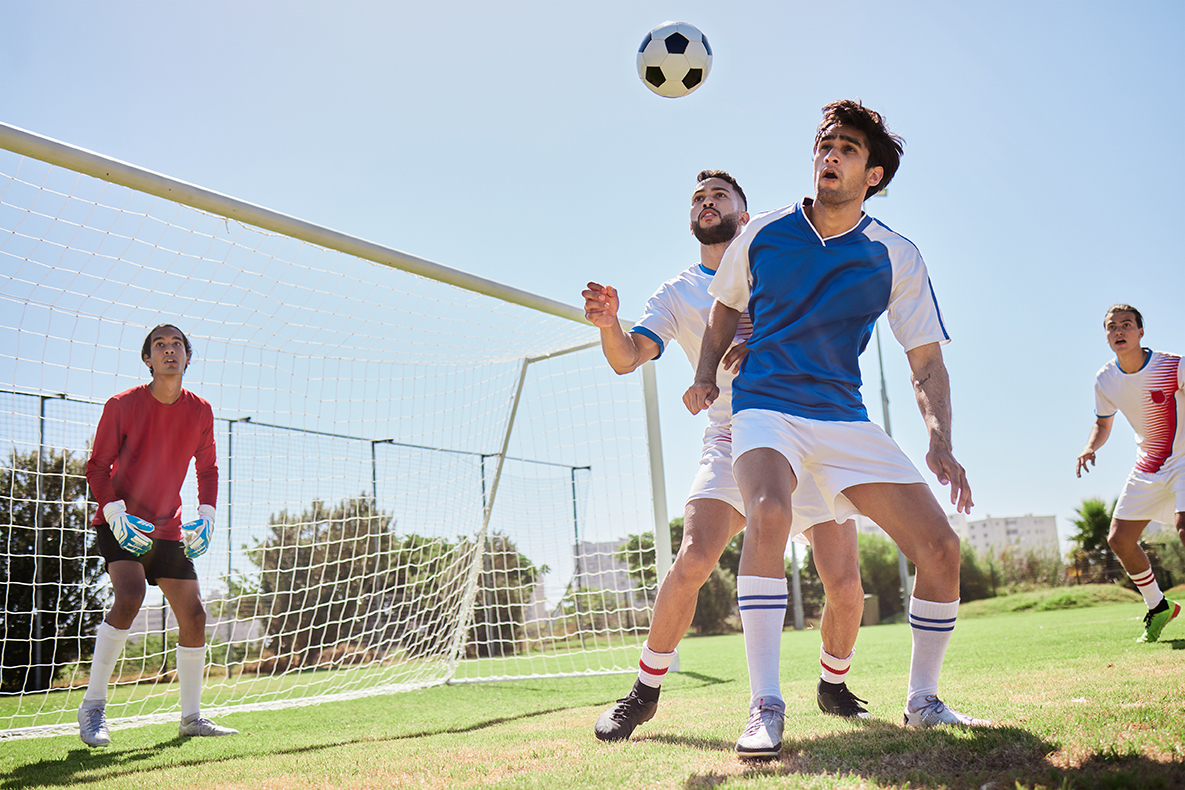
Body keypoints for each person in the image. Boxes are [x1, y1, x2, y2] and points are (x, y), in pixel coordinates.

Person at [684, 101, 990, 760]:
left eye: (847, 149)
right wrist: (707, 372)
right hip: (766, 406)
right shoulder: (762, 233)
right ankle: (765, 704)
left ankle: (924, 701)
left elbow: (926, 361)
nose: (830, 156)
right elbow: (722, 308)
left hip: (843, 418)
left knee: (938, 548)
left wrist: (938, 438)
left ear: (872, 174)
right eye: (825, 145)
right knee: (767, 512)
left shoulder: (894, 257)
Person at [584, 170, 870, 745]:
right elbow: (626, 359)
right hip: (734, 435)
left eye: (719, 195)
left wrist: (755, 344)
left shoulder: (781, 262)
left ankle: (833, 684)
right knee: (692, 558)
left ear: (745, 211)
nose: (706, 202)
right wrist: (611, 326)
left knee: (844, 585)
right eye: (697, 197)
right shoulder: (676, 292)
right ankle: (643, 693)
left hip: (808, 427)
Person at [78, 324, 237, 747]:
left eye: (177, 345)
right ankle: (93, 707)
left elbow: (208, 469)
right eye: (159, 345)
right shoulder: (121, 405)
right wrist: (114, 512)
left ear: (188, 356)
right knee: (129, 596)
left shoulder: (201, 410)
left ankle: (191, 717)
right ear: (147, 358)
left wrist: (206, 517)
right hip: (124, 522)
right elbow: (97, 466)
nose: (169, 351)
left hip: (168, 527)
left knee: (196, 616)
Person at [1076, 304, 1183, 642]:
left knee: (1184, 527)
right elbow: (1102, 422)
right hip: (1149, 464)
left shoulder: (1173, 365)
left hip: (1184, 458)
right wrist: (1090, 447)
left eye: (1126, 325)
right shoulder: (1105, 379)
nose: (1119, 331)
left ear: (1140, 332)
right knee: (1119, 539)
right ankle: (1158, 606)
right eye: (1112, 327)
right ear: (1107, 337)